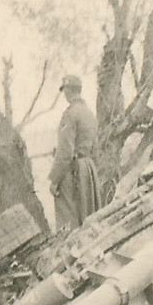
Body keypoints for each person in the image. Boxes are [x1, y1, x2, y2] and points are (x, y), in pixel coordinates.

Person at [49, 74, 103, 230]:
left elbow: (65, 152)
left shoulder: (70, 114)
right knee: (87, 216)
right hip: (88, 169)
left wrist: (55, 180)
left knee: (68, 219)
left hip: (72, 171)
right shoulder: (89, 114)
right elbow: (95, 147)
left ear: (67, 91)